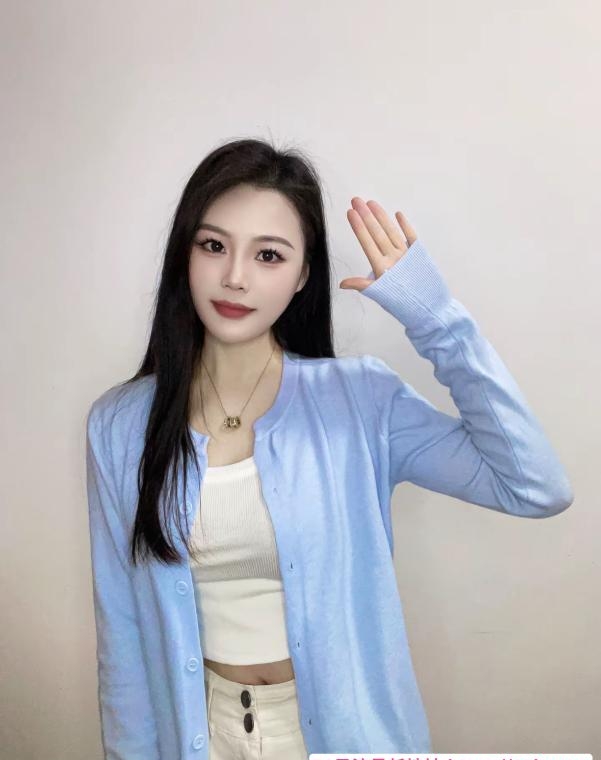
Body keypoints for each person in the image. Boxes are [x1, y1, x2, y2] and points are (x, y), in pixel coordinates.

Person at [85, 137, 574, 760]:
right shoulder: (120, 424)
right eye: (213, 246)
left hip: (347, 738)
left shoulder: (360, 401)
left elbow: (535, 486)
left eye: (268, 254)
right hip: (201, 736)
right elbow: (123, 635)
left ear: (302, 276)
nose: (235, 277)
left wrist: (434, 317)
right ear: (186, 254)